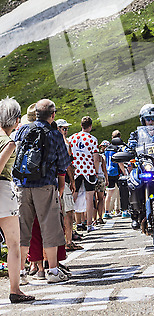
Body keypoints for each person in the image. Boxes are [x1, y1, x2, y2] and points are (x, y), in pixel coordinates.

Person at [14, 98, 71, 284]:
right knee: (50, 226)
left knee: (23, 228)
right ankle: (53, 271)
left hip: (22, 185)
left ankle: (21, 272)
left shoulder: (23, 130)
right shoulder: (54, 134)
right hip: (45, 185)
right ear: (53, 115)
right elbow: (63, 162)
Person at [0, 97, 35, 304]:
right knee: (13, 243)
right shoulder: (9, 141)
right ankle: (15, 290)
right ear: (15, 119)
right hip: (2, 190)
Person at [69, 116, 100, 233]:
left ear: (81, 125)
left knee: (74, 196)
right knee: (89, 197)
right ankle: (89, 224)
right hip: (89, 170)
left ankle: (74, 223)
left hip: (76, 170)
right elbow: (96, 158)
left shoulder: (72, 138)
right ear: (90, 126)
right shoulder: (92, 139)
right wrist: (96, 171)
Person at [55, 119, 82, 251]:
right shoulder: (63, 144)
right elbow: (68, 165)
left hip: (57, 181)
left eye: (66, 129)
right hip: (62, 180)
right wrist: (72, 181)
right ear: (58, 128)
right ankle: (68, 241)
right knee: (68, 212)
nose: (66, 131)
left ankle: (66, 240)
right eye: (63, 129)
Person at [103, 132, 124, 219]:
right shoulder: (118, 149)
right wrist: (124, 172)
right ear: (119, 137)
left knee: (109, 193)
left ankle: (106, 212)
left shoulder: (107, 149)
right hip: (117, 172)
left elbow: (104, 160)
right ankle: (125, 211)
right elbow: (120, 162)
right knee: (122, 191)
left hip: (108, 172)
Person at [94, 143, 109, 224]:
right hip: (100, 177)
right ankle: (100, 217)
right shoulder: (100, 157)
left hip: (91, 177)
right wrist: (107, 179)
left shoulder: (88, 156)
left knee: (93, 199)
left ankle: (93, 219)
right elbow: (104, 169)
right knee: (100, 199)